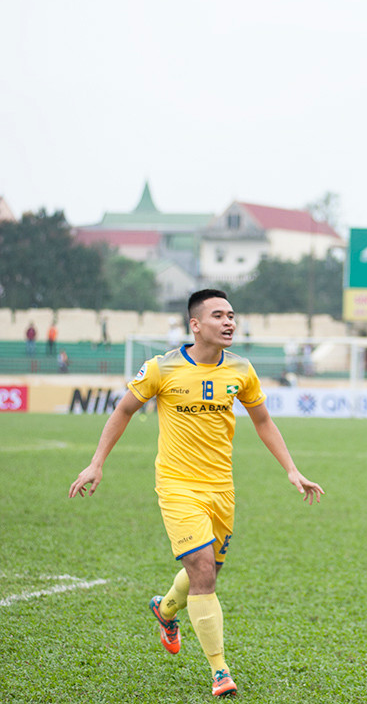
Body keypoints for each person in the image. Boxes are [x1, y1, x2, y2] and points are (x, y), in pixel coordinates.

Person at [68, 289, 324, 699]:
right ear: (195, 324)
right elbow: (123, 411)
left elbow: (262, 420)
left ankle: (166, 609)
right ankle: (220, 671)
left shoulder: (241, 369)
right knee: (203, 573)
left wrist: (292, 469)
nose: (229, 322)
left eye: (232, 315)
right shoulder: (161, 368)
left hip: (222, 488)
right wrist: (96, 463)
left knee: (207, 572)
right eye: (219, 315)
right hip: (176, 486)